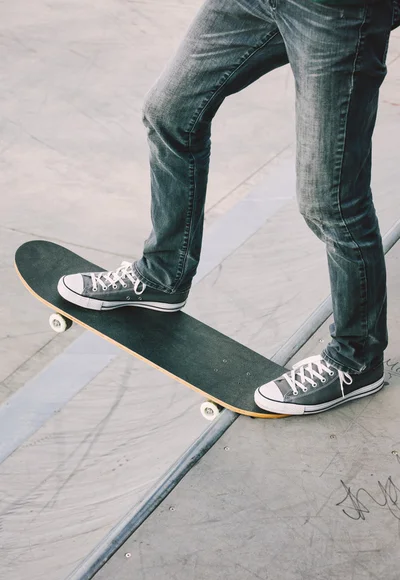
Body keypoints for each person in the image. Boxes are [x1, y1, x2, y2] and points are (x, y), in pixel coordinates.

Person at [57, 0, 394, 416]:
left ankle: (356, 358)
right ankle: (163, 275)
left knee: (330, 200)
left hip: (337, 13)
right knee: (171, 114)